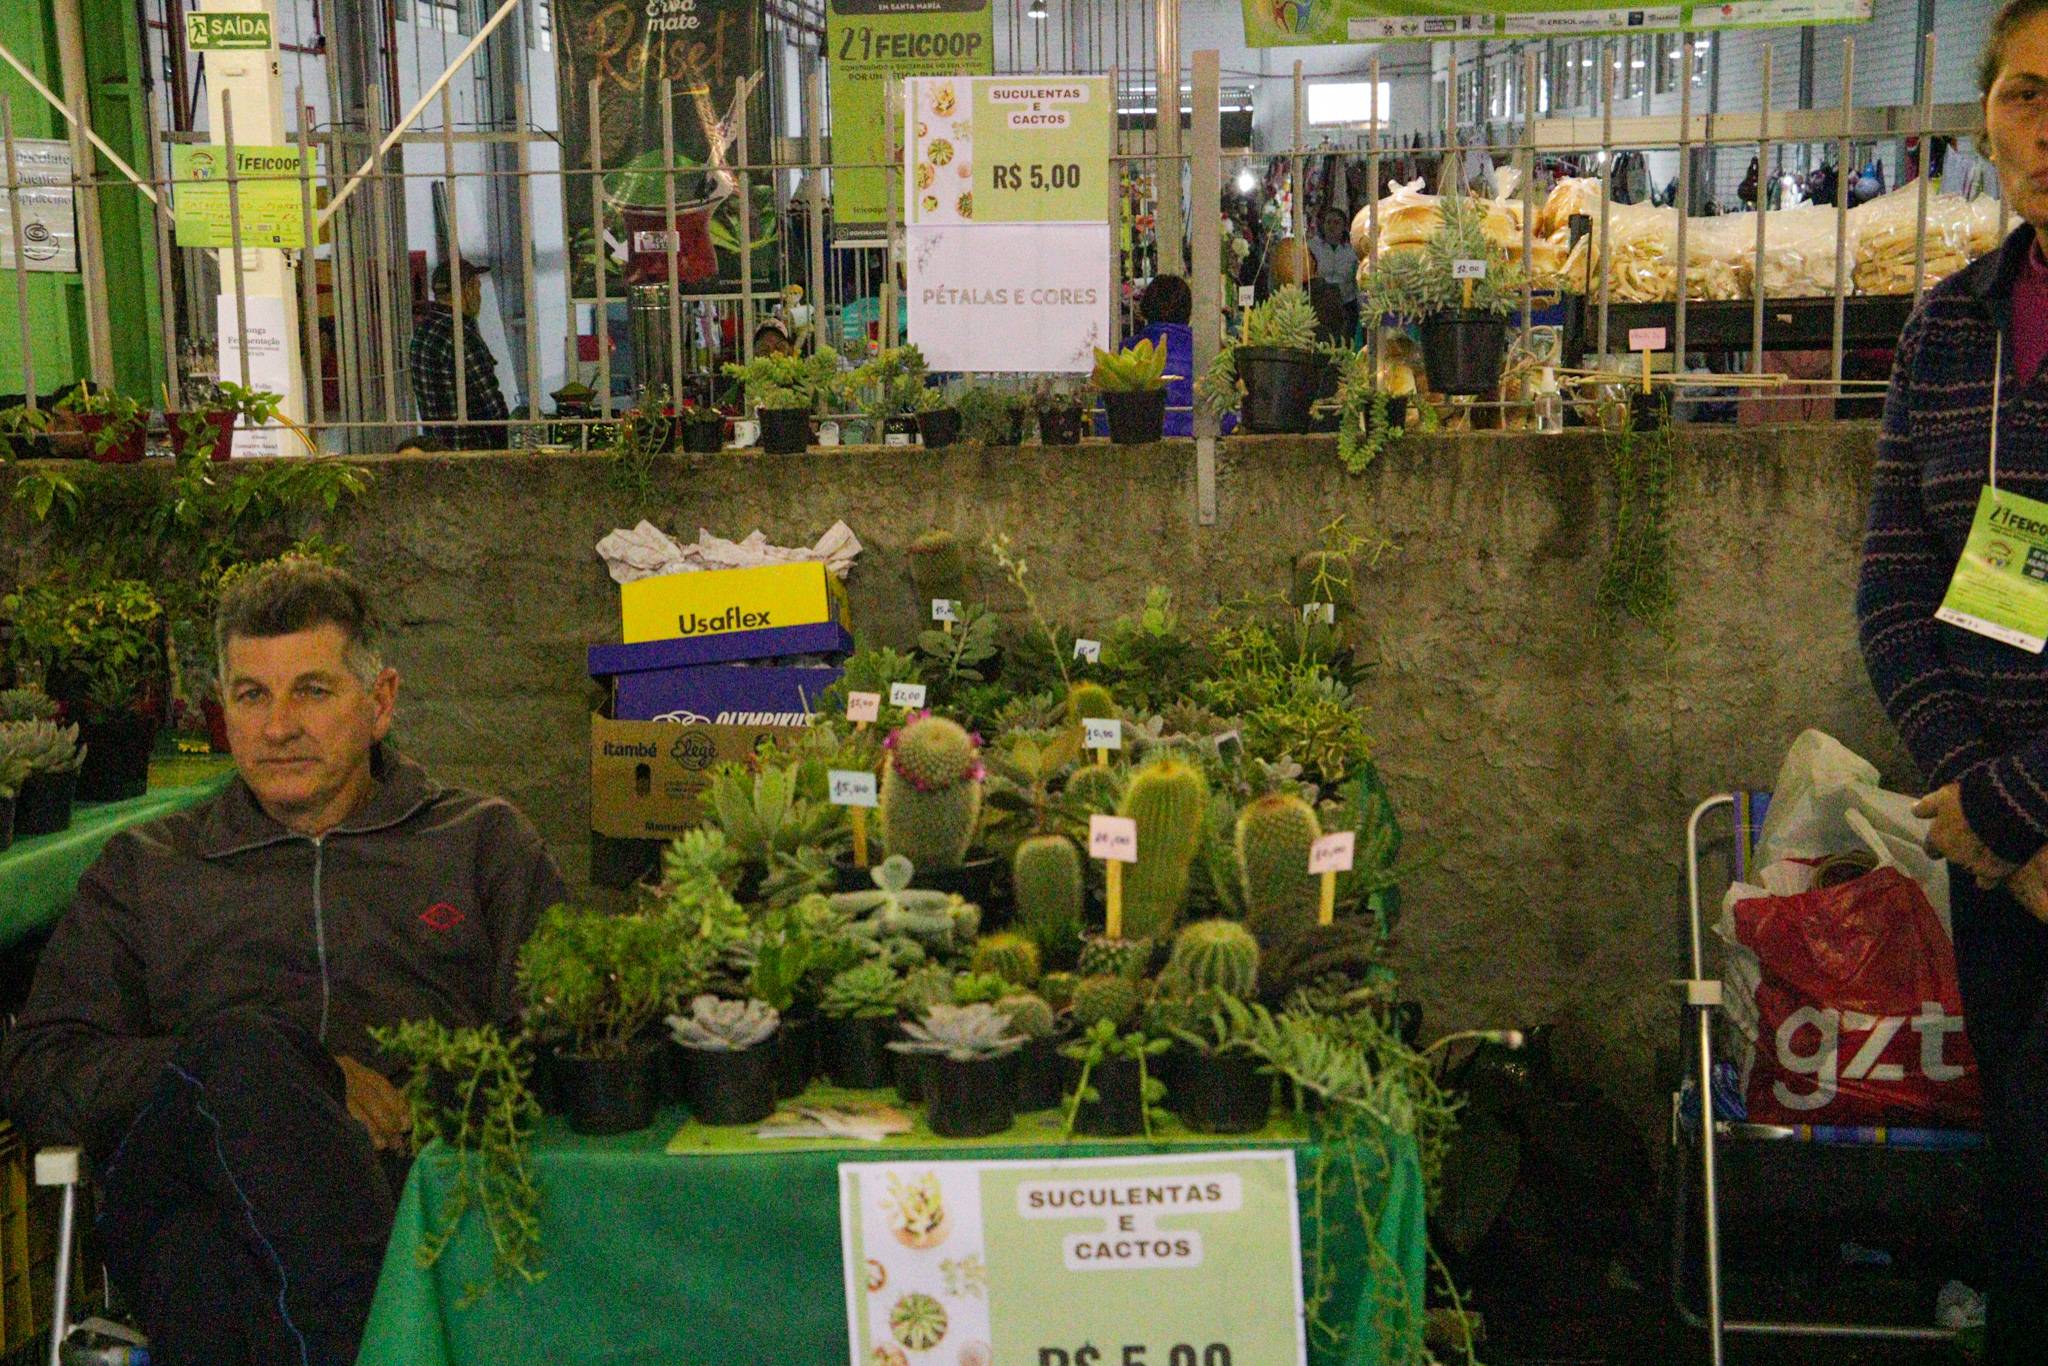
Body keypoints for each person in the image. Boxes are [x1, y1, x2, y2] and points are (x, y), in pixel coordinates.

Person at [0, 561, 565, 1365]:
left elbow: (560, 1039)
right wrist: (296, 1079)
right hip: (190, 1181)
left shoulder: (480, 845)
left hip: (416, 1190)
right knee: (244, 1051)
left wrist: (419, 1104)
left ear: (381, 702)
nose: (277, 727)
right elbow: (42, 1069)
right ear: (224, 712)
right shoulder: (150, 868)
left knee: (210, 1271)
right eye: (251, 695)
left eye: (312, 691)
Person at [1857, 5, 2048, 1359]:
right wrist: (1979, 801)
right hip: (1994, 850)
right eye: (2027, 95)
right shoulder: (1947, 328)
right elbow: (1889, 589)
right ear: (1987, 117)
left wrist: (2015, 808)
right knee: (2021, 1173)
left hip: (2008, 825)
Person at [408, 258, 509, 450]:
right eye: (478, 287)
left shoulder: (421, 333)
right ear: (468, 289)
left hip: (436, 450)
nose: (479, 296)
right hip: (472, 452)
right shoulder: (462, 337)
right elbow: (491, 406)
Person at [1308, 205, 1360, 344]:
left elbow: (1357, 279)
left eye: (1336, 223)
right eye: (1328, 222)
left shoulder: (1352, 250)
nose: (1332, 226)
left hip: (1346, 305)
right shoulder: (1312, 247)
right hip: (1320, 306)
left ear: (1344, 227)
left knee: (1344, 343)